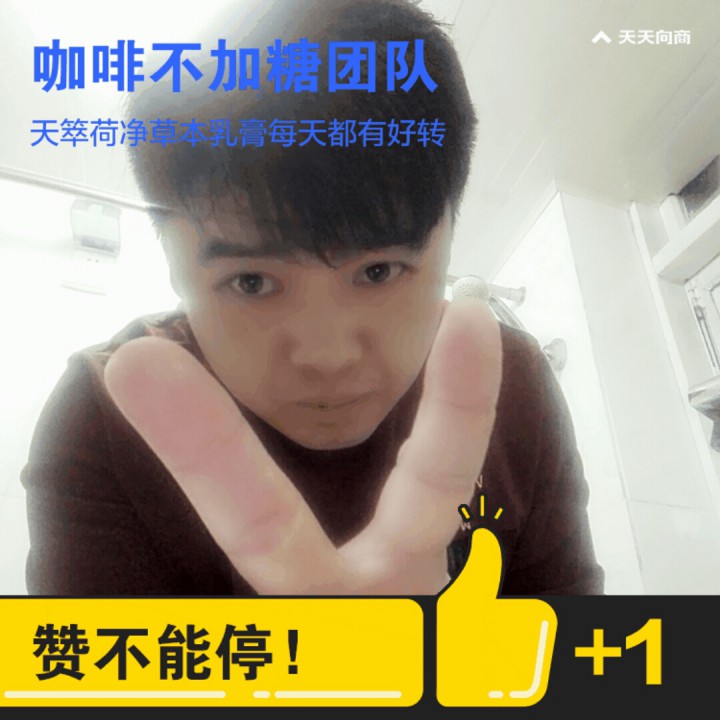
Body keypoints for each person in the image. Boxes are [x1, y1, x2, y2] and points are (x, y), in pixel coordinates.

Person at [22, 0, 604, 596]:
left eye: (378, 271)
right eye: (252, 282)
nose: (327, 356)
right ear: (173, 266)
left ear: (450, 234)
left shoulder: (515, 386)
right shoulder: (105, 419)